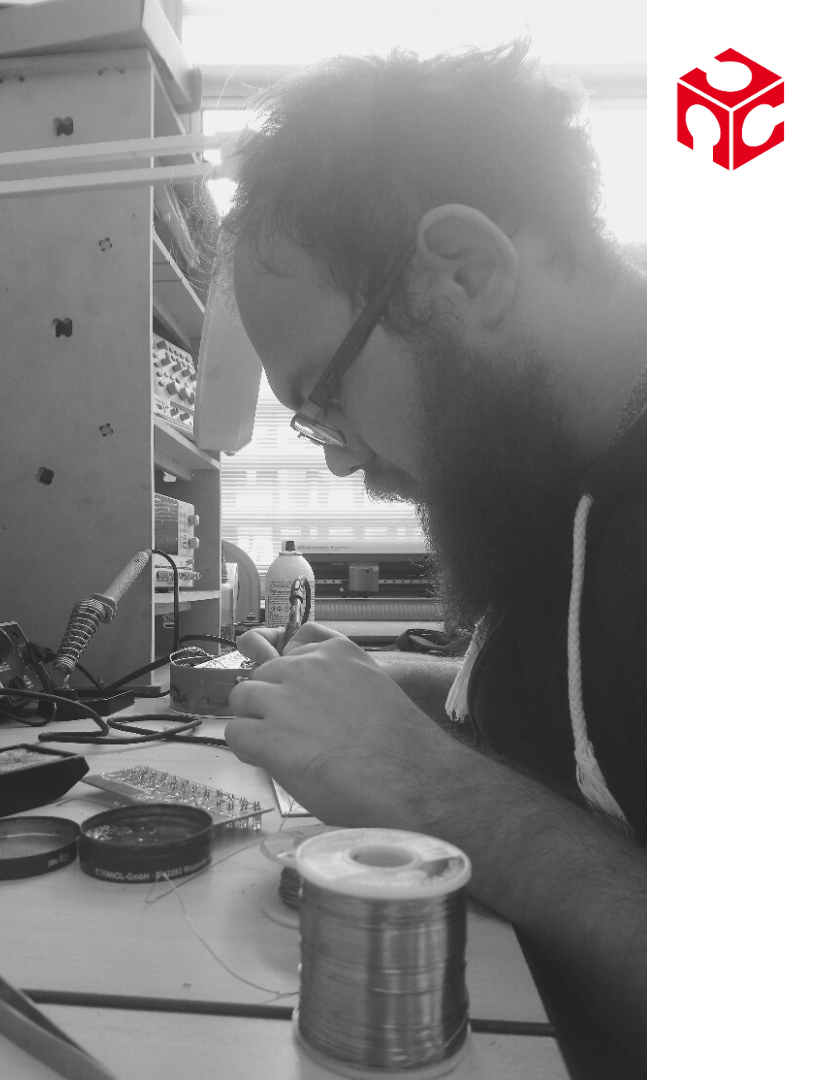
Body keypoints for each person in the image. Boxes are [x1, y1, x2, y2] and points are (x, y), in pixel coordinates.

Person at [216, 41, 646, 1074]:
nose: (339, 458)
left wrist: (426, 783)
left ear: (463, 270)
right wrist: (411, 697)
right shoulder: (554, 474)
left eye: (326, 395)